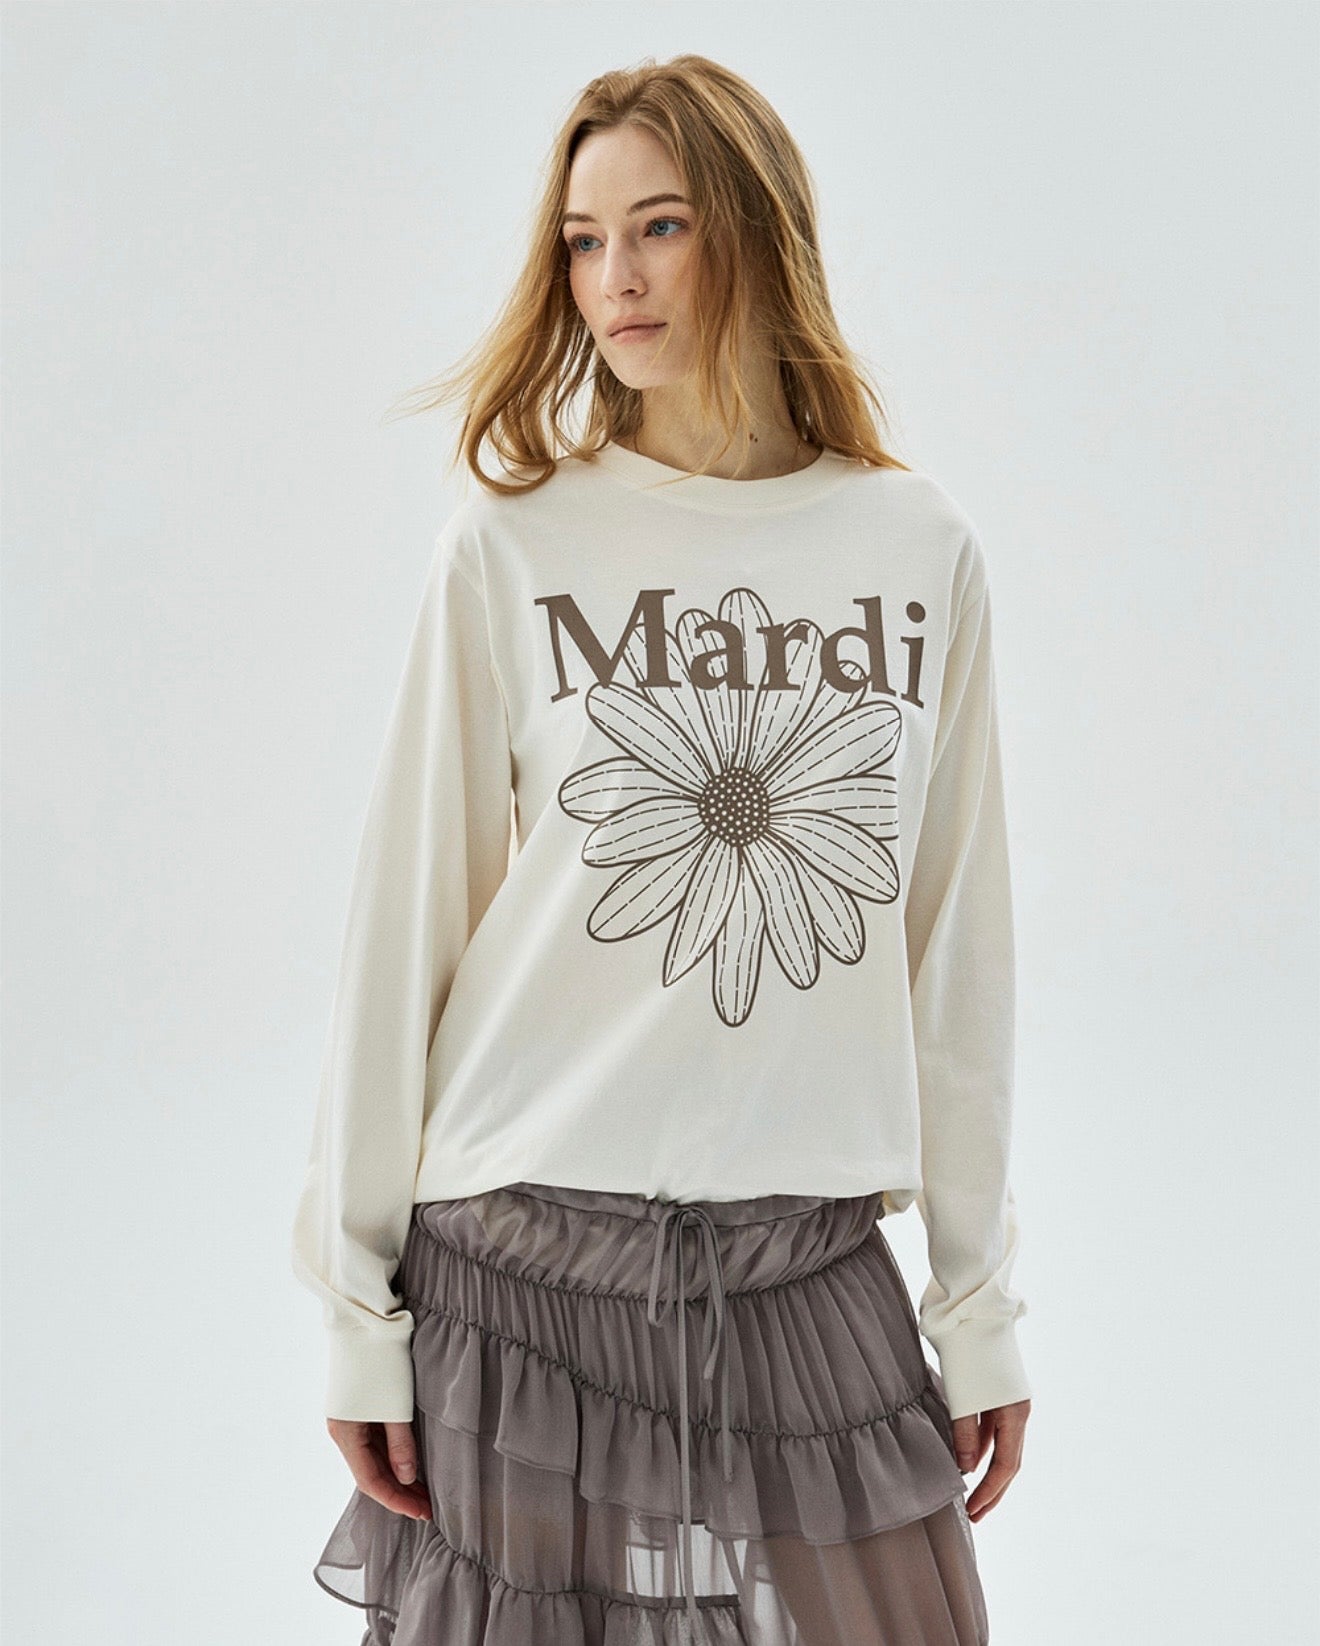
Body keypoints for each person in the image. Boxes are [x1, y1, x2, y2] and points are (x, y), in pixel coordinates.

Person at [291, 51, 1032, 1646]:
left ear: (757, 232)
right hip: (518, 1273)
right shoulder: (511, 545)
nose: (613, 278)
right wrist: (357, 1309)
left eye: (662, 226)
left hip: (808, 1272)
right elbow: (403, 935)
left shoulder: (918, 550)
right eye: (582, 239)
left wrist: (976, 1306)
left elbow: (957, 958)